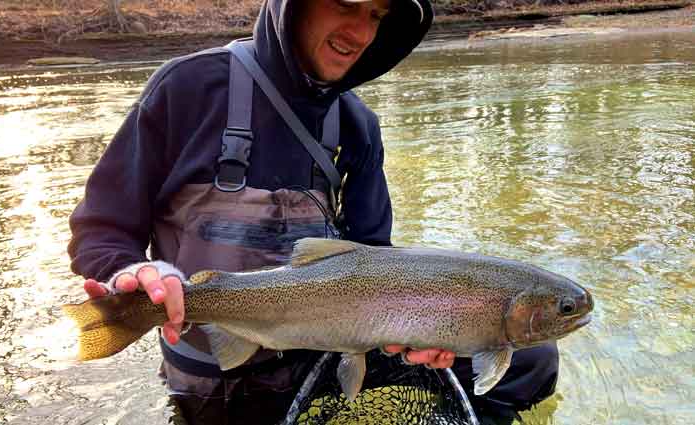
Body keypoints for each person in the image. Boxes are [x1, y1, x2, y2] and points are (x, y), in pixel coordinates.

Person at [68, 0, 558, 423]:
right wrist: (131, 274)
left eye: (376, 15)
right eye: (344, 4)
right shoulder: (189, 89)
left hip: (317, 356)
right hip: (216, 370)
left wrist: (416, 329)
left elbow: (373, 260)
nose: (361, 33)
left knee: (530, 358)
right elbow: (102, 228)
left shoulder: (357, 126)